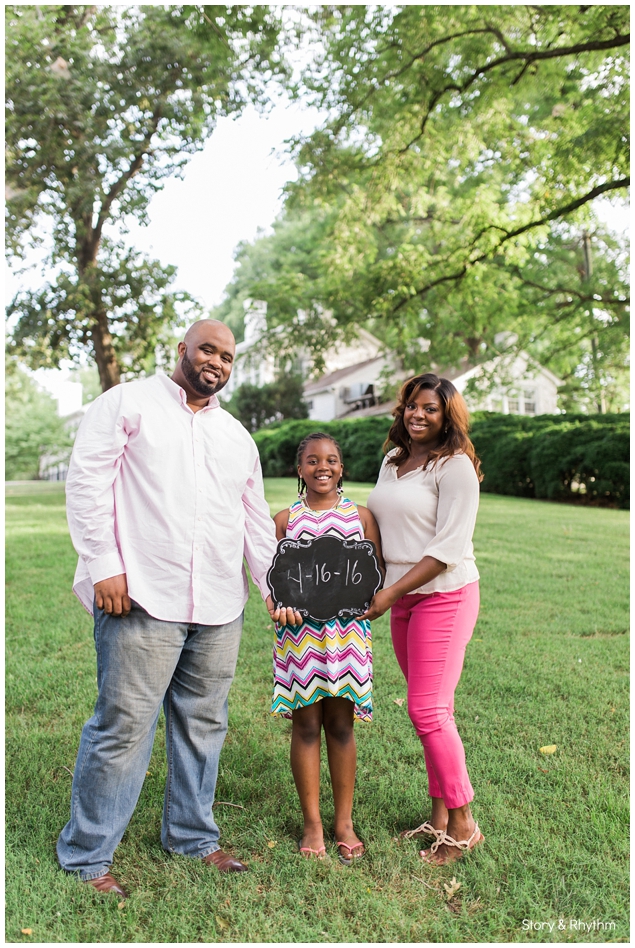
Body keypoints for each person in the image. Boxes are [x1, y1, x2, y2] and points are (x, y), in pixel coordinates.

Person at [57, 319, 300, 897]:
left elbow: (253, 520)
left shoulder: (237, 436)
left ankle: (192, 836)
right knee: (122, 727)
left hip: (218, 604)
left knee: (203, 724)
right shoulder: (127, 403)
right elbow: (87, 482)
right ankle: (88, 856)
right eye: (207, 350)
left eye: (228, 356)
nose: (216, 362)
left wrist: (274, 588)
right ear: (183, 350)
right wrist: (103, 566)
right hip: (142, 593)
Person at [364, 373, 484, 866]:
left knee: (427, 711)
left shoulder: (455, 467)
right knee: (435, 711)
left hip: (444, 596)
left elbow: (446, 550)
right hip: (403, 598)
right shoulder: (394, 460)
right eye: (412, 405)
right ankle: (438, 817)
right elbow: (378, 526)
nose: (417, 414)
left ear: (446, 415)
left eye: (430, 409)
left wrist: (388, 594)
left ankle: (463, 825)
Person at [271, 433, 384, 863]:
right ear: (299, 470)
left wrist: (369, 602)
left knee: (341, 725)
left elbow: (374, 573)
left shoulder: (361, 517)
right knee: (305, 726)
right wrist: (279, 608)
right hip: (300, 638)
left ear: (342, 468)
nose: (323, 466)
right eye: (313, 460)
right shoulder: (284, 520)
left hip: (347, 636)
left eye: (332, 460)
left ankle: (344, 821)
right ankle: (313, 823)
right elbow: (274, 580)